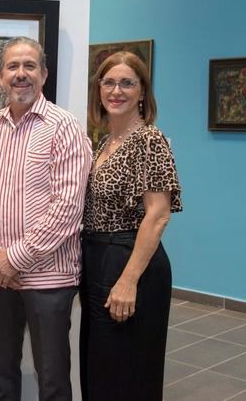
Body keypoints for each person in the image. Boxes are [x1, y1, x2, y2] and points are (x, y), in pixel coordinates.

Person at [0, 36, 92, 400]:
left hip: (49, 278)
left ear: (44, 74)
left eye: (29, 66)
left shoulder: (64, 126)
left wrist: (16, 258)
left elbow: (68, 205)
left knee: (52, 380)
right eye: (12, 66)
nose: (20, 74)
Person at [80, 51, 182, 400]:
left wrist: (127, 280)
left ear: (142, 92)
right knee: (100, 367)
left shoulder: (150, 140)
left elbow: (157, 215)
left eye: (127, 83)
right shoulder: (105, 142)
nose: (116, 90)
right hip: (97, 259)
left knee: (128, 374)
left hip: (129, 261)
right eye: (108, 82)